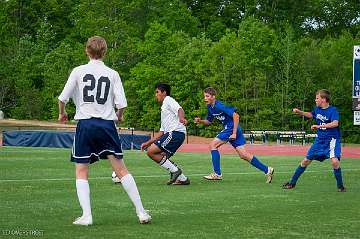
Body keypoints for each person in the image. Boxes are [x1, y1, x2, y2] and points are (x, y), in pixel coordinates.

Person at [58, 36, 151, 226]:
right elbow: (122, 104)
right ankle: (141, 212)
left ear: (87, 51)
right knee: (121, 169)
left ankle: (87, 216)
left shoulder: (78, 71)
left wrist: (62, 113)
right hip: (107, 125)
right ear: (105, 52)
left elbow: (63, 98)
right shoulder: (112, 73)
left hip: (85, 124)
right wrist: (120, 115)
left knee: (81, 170)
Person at [194, 87, 274, 182]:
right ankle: (267, 169)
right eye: (205, 96)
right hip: (232, 129)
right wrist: (200, 121)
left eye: (207, 96)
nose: (205, 98)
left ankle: (217, 174)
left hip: (231, 128)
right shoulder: (210, 107)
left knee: (212, 145)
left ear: (213, 97)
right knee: (243, 155)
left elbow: (236, 116)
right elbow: (209, 121)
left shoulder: (220, 106)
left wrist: (234, 132)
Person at [282, 89, 346, 192]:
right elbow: (311, 115)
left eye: (317, 98)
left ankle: (340, 187)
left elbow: (335, 123)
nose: (315, 100)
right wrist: (300, 112)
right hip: (319, 141)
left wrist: (319, 126)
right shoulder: (317, 109)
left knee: (335, 162)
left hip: (332, 141)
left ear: (323, 99)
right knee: (306, 161)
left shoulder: (333, 110)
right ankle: (292, 183)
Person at [140, 83, 190, 185]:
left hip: (175, 133)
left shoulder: (168, 100)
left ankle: (175, 171)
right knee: (161, 156)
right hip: (175, 134)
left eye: (157, 92)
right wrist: (148, 142)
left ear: (164, 92)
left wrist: (181, 118)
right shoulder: (164, 109)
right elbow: (161, 133)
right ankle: (183, 179)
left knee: (151, 152)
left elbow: (180, 109)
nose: (156, 95)